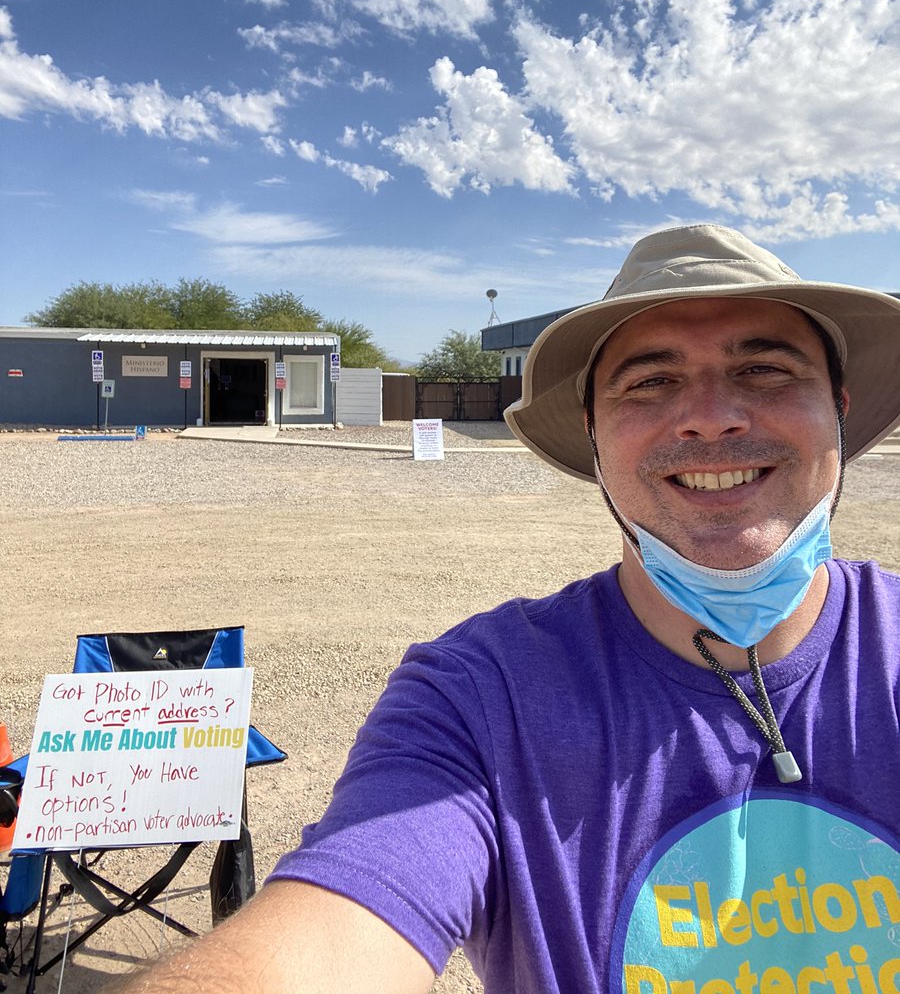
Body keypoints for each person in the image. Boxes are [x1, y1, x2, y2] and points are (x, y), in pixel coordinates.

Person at [122, 224, 900, 994]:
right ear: (594, 433)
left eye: (764, 368)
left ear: (837, 406)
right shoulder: (477, 701)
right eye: (652, 381)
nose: (711, 416)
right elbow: (334, 933)